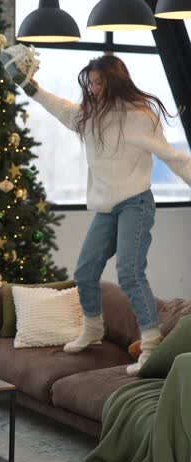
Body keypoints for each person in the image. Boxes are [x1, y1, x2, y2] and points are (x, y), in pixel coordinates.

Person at [23, 54, 191, 376]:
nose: (94, 89)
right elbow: (62, 109)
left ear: (114, 81)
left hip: (136, 204)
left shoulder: (141, 116)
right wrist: (33, 90)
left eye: (99, 83)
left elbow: (173, 157)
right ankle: (92, 328)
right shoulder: (89, 116)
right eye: (91, 83)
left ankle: (151, 346)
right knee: (85, 271)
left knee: (129, 270)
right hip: (106, 208)